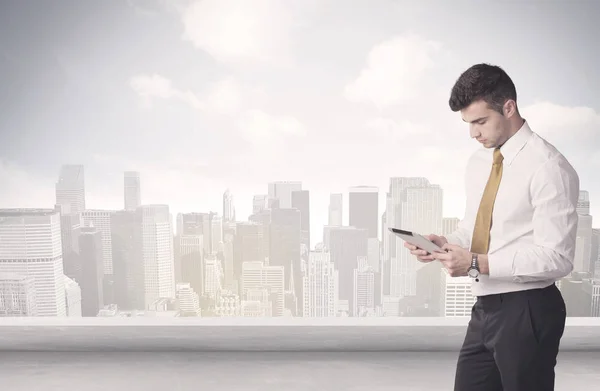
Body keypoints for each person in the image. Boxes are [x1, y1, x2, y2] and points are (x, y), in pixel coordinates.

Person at [404, 63, 579, 390]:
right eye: (468, 124)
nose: (474, 133)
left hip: (529, 308)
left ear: (509, 107)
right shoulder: (479, 162)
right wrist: (443, 244)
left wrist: (474, 263)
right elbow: (473, 229)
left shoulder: (548, 167)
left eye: (481, 121)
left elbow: (557, 258)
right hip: (485, 307)